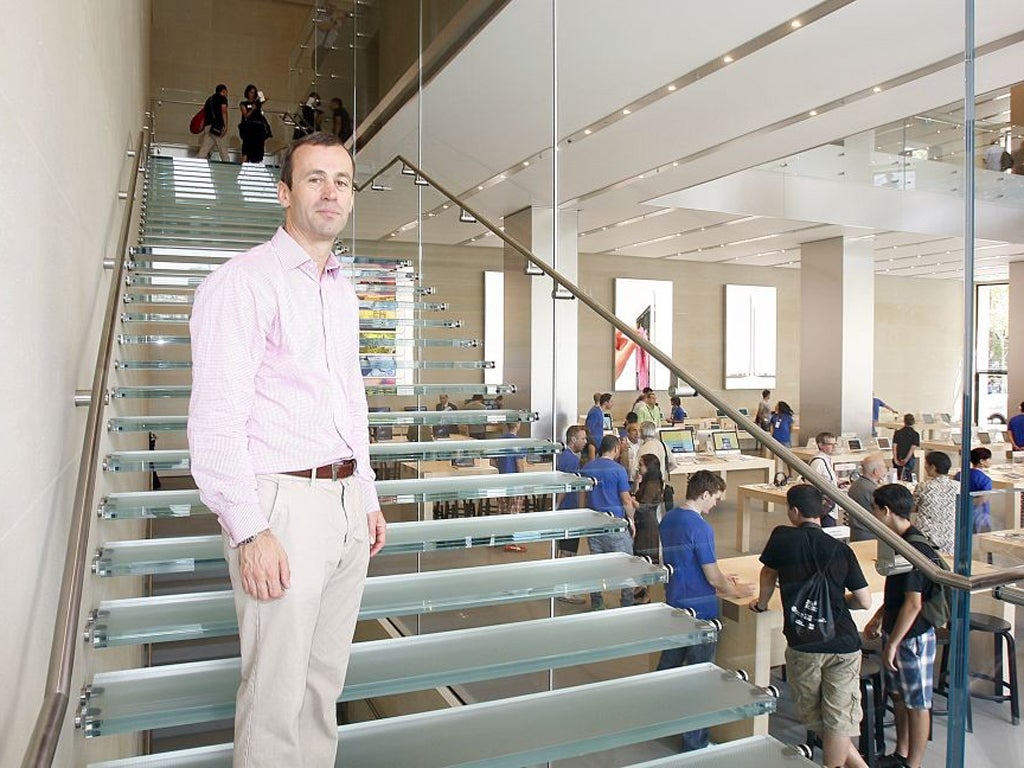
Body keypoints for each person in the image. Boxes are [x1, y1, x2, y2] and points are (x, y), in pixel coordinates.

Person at [188, 131, 387, 767]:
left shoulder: (339, 288)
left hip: (343, 504)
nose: (330, 192)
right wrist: (249, 531)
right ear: (284, 193)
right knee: (274, 702)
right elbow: (217, 416)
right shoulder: (242, 284)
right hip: (282, 507)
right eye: (314, 179)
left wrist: (367, 495)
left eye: (342, 181)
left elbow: (349, 400)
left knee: (321, 689)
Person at [751, 484, 871, 768]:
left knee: (816, 717)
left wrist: (763, 603)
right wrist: (839, 603)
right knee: (838, 719)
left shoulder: (782, 538)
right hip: (843, 641)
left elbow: (768, 574)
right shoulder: (840, 549)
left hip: (804, 642)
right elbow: (864, 601)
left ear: (794, 511)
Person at [656, 470, 754, 751]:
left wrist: (725, 578)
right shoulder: (700, 527)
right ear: (705, 494)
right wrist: (735, 590)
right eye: (716, 499)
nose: (716, 506)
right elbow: (711, 577)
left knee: (669, 669)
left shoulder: (671, 517)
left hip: (675, 602)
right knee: (700, 678)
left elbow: (688, 562)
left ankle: (661, 719)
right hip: (700, 609)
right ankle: (695, 743)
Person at [865, 484, 942, 768]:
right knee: (898, 696)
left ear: (885, 510)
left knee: (917, 703)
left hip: (913, 637)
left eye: (874, 508)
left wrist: (894, 643)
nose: (873, 514)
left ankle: (914, 763)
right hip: (897, 630)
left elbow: (913, 604)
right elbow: (898, 594)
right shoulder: (897, 541)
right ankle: (902, 752)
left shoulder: (913, 548)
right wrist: (878, 617)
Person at [580, 435, 636, 610]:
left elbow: (582, 496)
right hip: (615, 525)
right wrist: (631, 521)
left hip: (594, 524)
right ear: (616, 449)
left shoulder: (587, 468)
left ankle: (597, 602)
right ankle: (626, 603)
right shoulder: (619, 470)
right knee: (626, 566)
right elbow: (626, 499)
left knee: (597, 566)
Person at [555, 425, 589, 572]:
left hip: (565, 509)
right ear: (573, 440)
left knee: (563, 546)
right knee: (568, 549)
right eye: (582, 438)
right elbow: (566, 485)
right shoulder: (571, 461)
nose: (586, 441)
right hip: (569, 509)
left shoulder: (564, 456)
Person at [910, 451, 958, 554]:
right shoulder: (958, 486)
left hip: (927, 534)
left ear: (932, 467)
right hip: (950, 534)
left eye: (926, 464)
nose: (925, 467)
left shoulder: (923, 486)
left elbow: (912, 508)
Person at [492, 421, 527, 549]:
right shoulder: (518, 442)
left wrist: (503, 467)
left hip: (502, 480)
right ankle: (511, 541)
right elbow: (519, 463)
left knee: (502, 509)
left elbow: (492, 461)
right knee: (514, 511)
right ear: (518, 425)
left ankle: (500, 538)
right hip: (515, 481)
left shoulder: (499, 441)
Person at [632, 453, 664, 567]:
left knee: (645, 559)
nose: (638, 467)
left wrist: (630, 501)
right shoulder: (648, 482)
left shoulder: (652, 485)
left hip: (647, 526)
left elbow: (644, 507)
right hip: (644, 523)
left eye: (641, 465)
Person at [846, 453, 887, 541]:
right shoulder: (872, 490)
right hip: (870, 536)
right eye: (884, 467)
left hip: (856, 534)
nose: (886, 470)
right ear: (875, 471)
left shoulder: (855, 485)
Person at [955, 446, 992, 533]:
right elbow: (984, 498)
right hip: (980, 514)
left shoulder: (959, 474)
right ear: (982, 461)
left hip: (961, 513)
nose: (990, 461)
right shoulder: (985, 479)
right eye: (988, 459)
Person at [809, 432, 839, 527]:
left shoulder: (827, 459)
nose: (834, 447)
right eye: (830, 444)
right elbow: (811, 483)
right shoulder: (818, 462)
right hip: (824, 506)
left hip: (831, 506)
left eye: (835, 444)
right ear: (820, 445)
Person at [198, 83, 230, 162]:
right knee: (223, 151)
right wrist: (225, 126)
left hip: (208, 126)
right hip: (218, 127)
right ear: (223, 91)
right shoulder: (223, 98)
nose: (227, 94)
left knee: (204, 150)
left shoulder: (209, 99)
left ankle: (198, 164)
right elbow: (224, 111)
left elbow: (204, 113)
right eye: (226, 92)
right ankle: (228, 168)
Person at [238, 84, 269, 163]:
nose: (252, 94)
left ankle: (256, 163)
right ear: (247, 93)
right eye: (251, 92)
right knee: (246, 148)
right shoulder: (243, 104)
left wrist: (260, 95)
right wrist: (252, 109)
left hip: (257, 129)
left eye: (254, 93)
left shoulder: (257, 103)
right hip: (248, 128)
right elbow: (246, 116)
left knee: (258, 149)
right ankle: (244, 165)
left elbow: (266, 98)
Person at [892, 414, 920, 481]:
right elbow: (912, 448)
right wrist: (906, 459)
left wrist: (895, 458)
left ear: (904, 421)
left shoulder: (898, 433)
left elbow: (894, 446)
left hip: (898, 457)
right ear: (913, 422)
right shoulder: (915, 434)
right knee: (908, 478)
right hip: (909, 459)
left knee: (897, 477)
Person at [618, 420, 642, 485]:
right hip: (626, 480)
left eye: (639, 430)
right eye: (634, 430)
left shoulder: (642, 444)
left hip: (639, 481)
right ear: (628, 432)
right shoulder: (621, 443)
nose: (637, 433)